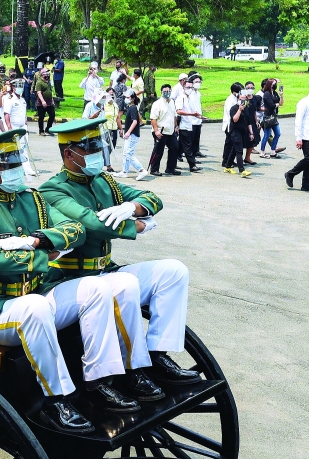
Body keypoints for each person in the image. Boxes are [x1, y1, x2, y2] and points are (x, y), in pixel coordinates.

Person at [0, 129, 134, 431]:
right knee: (35, 307)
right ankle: (56, 400)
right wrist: (47, 256)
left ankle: (99, 381)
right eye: (5, 164)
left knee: (97, 287)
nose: (15, 169)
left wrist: (37, 241)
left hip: (35, 293)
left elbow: (75, 230)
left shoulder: (33, 200)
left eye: (16, 161)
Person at [41, 117, 199, 396]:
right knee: (122, 285)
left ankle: (158, 355)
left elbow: (152, 198)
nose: (97, 152)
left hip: (104, 271)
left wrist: (134, 207)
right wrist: (137, 224)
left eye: (97, 145)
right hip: (70, 280)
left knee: (174, 271)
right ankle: (129, 371)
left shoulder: (104, 181)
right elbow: (91, 223)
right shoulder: (53, 189)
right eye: (89, 147)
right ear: (68, 153)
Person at [285, 82, 309, 193]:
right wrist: (299, 138)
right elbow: (298, 121)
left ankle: (306, 184)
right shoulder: (304, 103)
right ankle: (290, 173)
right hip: (306, 136)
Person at [147, 84, 179, 176]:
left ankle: (170, 168)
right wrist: (156, 130)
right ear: (161, 92)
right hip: (160, 130)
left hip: (170, 130)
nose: (167, 93)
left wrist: (176, 126)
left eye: (168, 91)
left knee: (174, 148)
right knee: (158, 151)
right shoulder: (157, 104)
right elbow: (153, 118)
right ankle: (154, 169)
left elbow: (174, 116)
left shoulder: (172, 102)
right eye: (165, 92)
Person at [223, 87, 255, 179]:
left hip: (243, 132)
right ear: (238, 99)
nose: (243, 102)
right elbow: (235, 119)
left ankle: (227, 167)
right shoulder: (234, 108)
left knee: (234, 150)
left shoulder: (246, 109)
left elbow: (249, 122)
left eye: (245, 100)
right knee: (239, 151)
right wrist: (240, 110)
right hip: (235, 132)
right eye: (241, 99)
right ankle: (242, 170)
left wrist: (251, 133)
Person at [175, 78, 201, 173]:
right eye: (188, 87)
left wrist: (199, 117)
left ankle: (174, 160)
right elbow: (179, 111)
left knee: (181, 145)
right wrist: (191, 115)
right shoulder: (180, 98)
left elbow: (193, 110)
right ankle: (192, 165)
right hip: (183, 125)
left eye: (191, 87)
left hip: (189, 125)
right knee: (188, 146)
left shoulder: (189, 98)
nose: (189, 89)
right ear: (183, 87)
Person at [220, 83, 243, 171]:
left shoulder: (235, 98)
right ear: (234, 92)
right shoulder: (230, 100)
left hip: (233, 124)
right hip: (229, 124)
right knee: (229, 143)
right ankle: (225, 160)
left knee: (233, 144)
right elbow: (231, 113)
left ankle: (230, 160)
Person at [259, 78, 283, 159]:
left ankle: (273, 151)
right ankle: (262, 151)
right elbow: (272, 105)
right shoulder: (267, 94)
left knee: (278, 133)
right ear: (270, 85)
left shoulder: (275, 93)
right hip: (268, 116)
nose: (275, 85)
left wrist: (281, 95)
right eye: (274, 84)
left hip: (274, 116)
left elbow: (281, 103)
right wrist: (277, 104)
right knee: (267, 135)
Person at [34, 69, 56, 135]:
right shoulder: (39, 82)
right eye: (45, 73)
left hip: (49, 102)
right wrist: (43, 101)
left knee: (52, 115)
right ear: (42, 74)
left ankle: (48, 128)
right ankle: (41, 131)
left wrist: (52, 100)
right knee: (41, 117)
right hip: (41, 102)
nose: (47, 74)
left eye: (47, 73)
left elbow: (50, 91)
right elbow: (39, 92)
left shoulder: (48, 81)